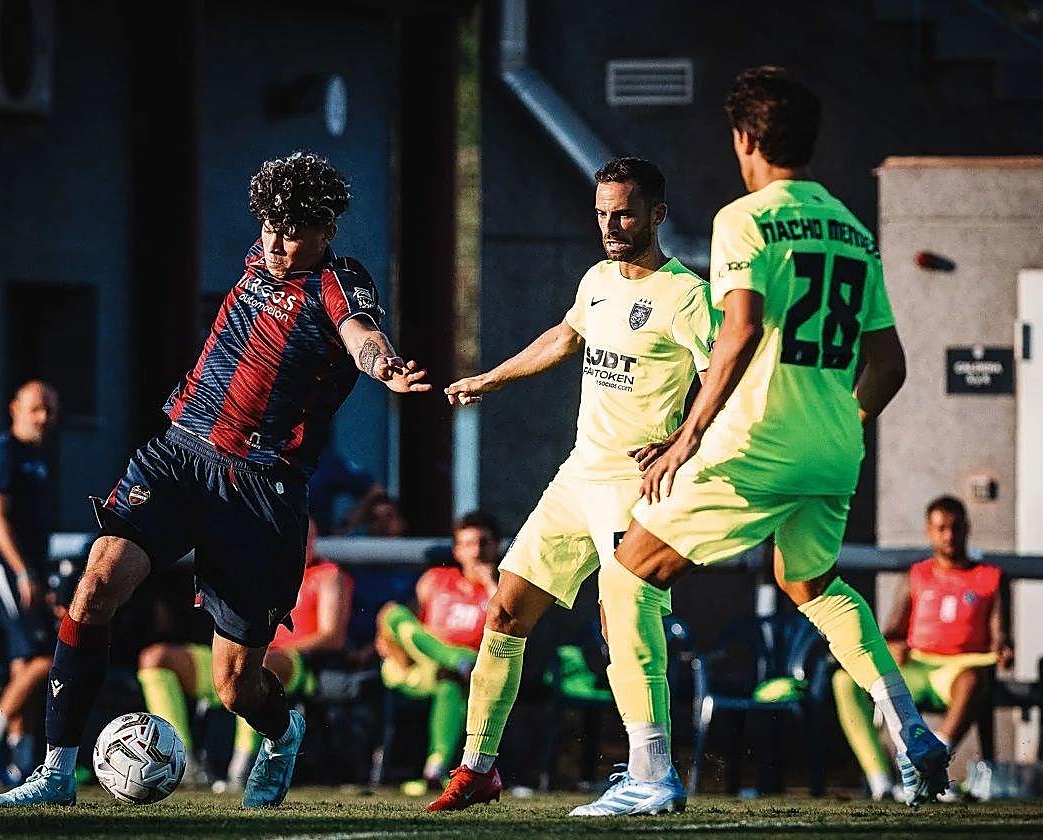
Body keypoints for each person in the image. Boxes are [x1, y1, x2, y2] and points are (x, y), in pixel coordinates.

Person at [0, 151, 431, 808]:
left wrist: (383, 365)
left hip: (261, 491)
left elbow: (360, 334)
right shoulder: (262, 249)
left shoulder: (338, 282)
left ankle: (282, 731)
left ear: (328, 230)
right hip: (179, 454)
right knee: (98, 580)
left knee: (234, 686)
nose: (278, 244)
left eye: (296, 231)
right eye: (271, 227)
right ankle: (53, 772)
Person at [589, 65, 945, 815]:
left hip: (754, 445)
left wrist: (689, 435)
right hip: (833, 450)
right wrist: (842, 426)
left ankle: (650, 774)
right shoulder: (851, 227)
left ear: (746, 139)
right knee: (811, 585)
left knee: (627, 576)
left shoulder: (744, 218)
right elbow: (889, 364)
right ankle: (911, 731)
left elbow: (742, 329)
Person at [430, 157, 716, 811]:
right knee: (504, 610)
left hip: (635, 487)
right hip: (576, 477)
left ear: (657, 216)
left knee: (626, 622)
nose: (611, 225)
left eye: (624, 212)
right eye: (602, 213)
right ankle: (479, 767)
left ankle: (653, 773)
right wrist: (488, 379)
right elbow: (564, 338)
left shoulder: (687, 296)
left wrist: (680, 443)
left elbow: (724, 380)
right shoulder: (596, 280)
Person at [136, 519, 353, 789]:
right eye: (292, 533)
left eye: (307, 536)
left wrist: (266, 649)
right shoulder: (258, 572)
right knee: (156, 659)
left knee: (258, 661)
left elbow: (332, 636)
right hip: (236, 658)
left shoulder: (328, 575)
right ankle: (182, 763)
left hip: (292, 664)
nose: (300, 542)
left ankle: (245, 766)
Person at [834, 496, 1011, 799]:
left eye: (955, 528)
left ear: (967, 528)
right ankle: (881, 782)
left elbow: (1000, 636)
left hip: (958, 671)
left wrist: (1004, 650)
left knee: (973, 679)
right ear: (929, 532)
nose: (949, 535)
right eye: (941, 528)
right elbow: (891, 631)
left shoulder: (990, 578)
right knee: (844, 681)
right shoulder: (915, 576)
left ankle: (929, 764)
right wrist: (893, 645)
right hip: (915, 669)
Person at [0, 381, 60, 786]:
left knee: (25, 665)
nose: (43, 418)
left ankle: (19, 766)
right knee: (44, 655)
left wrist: (41, 575)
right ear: (14, 407)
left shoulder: (37, 457)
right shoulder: (3, 452)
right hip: (8, 568)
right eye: (36, 408)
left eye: (50, 410)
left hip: (32, 571)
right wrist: (21, 571)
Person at [376, 511, 500, 793]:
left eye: (484, 542)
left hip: (471, 675)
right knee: (393, 613)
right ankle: (456, 660)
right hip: (418, 664)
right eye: (468, 544)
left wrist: (490, 582)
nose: (477, 551)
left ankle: (435, 769)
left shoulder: (503, 587)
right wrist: (389, 644)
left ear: (496, 546)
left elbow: (506, 624)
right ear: (457, 550)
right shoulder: (435, 579)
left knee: (450, 684)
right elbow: (400, 624)